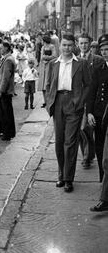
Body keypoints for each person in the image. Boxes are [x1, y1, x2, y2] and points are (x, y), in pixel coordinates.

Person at [45, 32, 92, 193]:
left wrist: (79, 102)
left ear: (74, 46)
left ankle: (68, 179)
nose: (67, 48)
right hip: (58, 102)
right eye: (64, 45)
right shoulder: (53, 63)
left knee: (70, 142)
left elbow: (88, 85)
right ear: (60, 46)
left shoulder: (82, 63)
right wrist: (49, 102)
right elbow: (48, 84)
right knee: (59, 141)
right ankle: (60, 174)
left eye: (70, 45)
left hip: (73, 103)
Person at [77, 34, 106, 170]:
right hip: (78, 98)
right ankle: (87, 154)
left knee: (86, 128)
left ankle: (87, 156)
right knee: (81, 130)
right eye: (81, 43)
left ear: (90, 44)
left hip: (92, 100)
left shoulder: (98, 60)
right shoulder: (75, 59)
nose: (83, 45)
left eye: (86, 43)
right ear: (78, 44)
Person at [90, 35, 108, 212]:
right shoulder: (99, 67)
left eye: (107, 49)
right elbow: (92, 90)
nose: (105, 53)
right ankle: (104, 187)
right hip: (100, 114)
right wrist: (89, 112)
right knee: (101, 151)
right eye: (103, 50)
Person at [0, 41, 16, 141]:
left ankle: (7, 133)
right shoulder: (6, 58)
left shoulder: (8, 60)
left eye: (2, 48)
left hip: (5, 91)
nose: (0, 49)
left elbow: (6, 77)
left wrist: (1, 90)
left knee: (6, 112)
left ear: (6, 48)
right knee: (0, 111)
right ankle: (0, 129)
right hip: (1, 89)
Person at [38, 35, 57, 108]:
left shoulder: (52, 46)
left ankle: (49, 101)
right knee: (42, 86)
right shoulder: (43, 47)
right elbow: (41, 57)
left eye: (43, 41)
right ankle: (45, 101)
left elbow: (54, 56)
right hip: (43, 67)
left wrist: (46, 57)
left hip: (49, 66)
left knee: (47, 84)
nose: (42, 42)